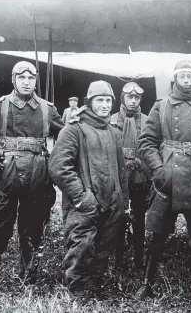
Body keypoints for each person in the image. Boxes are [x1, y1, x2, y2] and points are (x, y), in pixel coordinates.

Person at [0, 61, 65, 294]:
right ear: (14, 80)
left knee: (32, 230)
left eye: (31, 78)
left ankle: (27, 278)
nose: (27, 82)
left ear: (36, 80)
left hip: (38, 179)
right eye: (22, 78)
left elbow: (66, 135)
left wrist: (55, 161)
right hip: (5, 178)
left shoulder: (47, 109)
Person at [136, 60, 191, 298]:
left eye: (190, 75)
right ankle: (147, 282)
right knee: (158, 234)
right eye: (182, 75)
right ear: (175, 79)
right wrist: (158, 170)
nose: (186, 79)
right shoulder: (161, 105)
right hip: (167, 178)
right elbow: (146, 142)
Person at [48, 80, 129, 299]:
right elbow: (58, 166)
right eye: (99, 100)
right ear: (89, 102)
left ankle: (95, 282)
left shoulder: (114, 132)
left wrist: (123, 201)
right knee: (82, 244)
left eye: (108, 101)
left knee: (105, 245)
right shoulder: (74, 130)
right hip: (84, 201)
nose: (104, 105)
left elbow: (122, 170)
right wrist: (81, 197)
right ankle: (77, 288)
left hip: (112, 200)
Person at [110, 82, 151, 271]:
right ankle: (118, 260)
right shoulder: (110, 120)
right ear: (122, 98)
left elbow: (153, 147)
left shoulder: (148, 121)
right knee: (118, 216)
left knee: (139, 217)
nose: (133, 101)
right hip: (119, 176)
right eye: (129, 97)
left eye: (137, 97)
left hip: (140, 176)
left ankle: (139, 260)